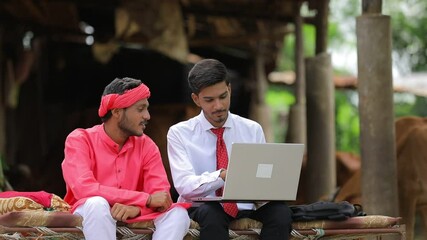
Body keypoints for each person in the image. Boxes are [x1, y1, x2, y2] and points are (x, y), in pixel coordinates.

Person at [167, 59, 293, 240]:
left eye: (223, 96)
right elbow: (185, 187)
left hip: (246, 207)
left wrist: (274, 184)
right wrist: (223, 176)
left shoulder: (252, 129)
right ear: (196, 99)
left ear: (230, 90)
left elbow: (262, 181)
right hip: (202, 208)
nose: (218, 106)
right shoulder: (179, 133)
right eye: (209, 100)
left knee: (281, 212)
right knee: (212, 212)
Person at [61, 77, 191, 240]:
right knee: (98, 204)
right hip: (89, 212)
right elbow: (85, 189)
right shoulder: (80, 139)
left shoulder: (147, 145)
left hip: (135, 212)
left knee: (178, 214)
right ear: (116, 111)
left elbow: (162, 198)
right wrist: (145, 199)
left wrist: (137, 208)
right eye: (140, 109)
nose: (148, 116)